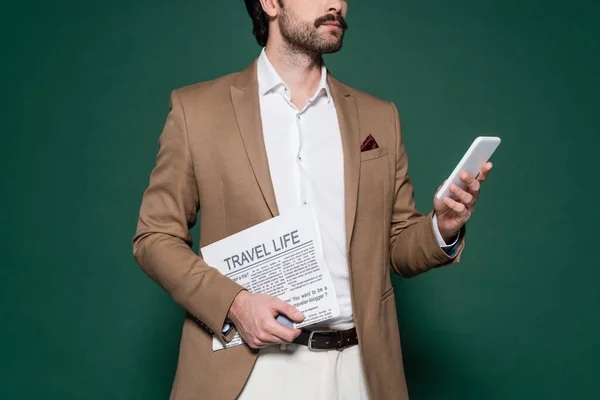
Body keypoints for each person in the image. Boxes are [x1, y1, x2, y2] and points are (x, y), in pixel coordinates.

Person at [132, 0, 493, 398]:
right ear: (270, 3)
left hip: (361, 371)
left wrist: (441, 227)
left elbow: (396, 247)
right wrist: (234, 304)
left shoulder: (379, 116)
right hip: (248, 372)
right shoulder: (197, 111)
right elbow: (155, 238)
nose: (335, 4)